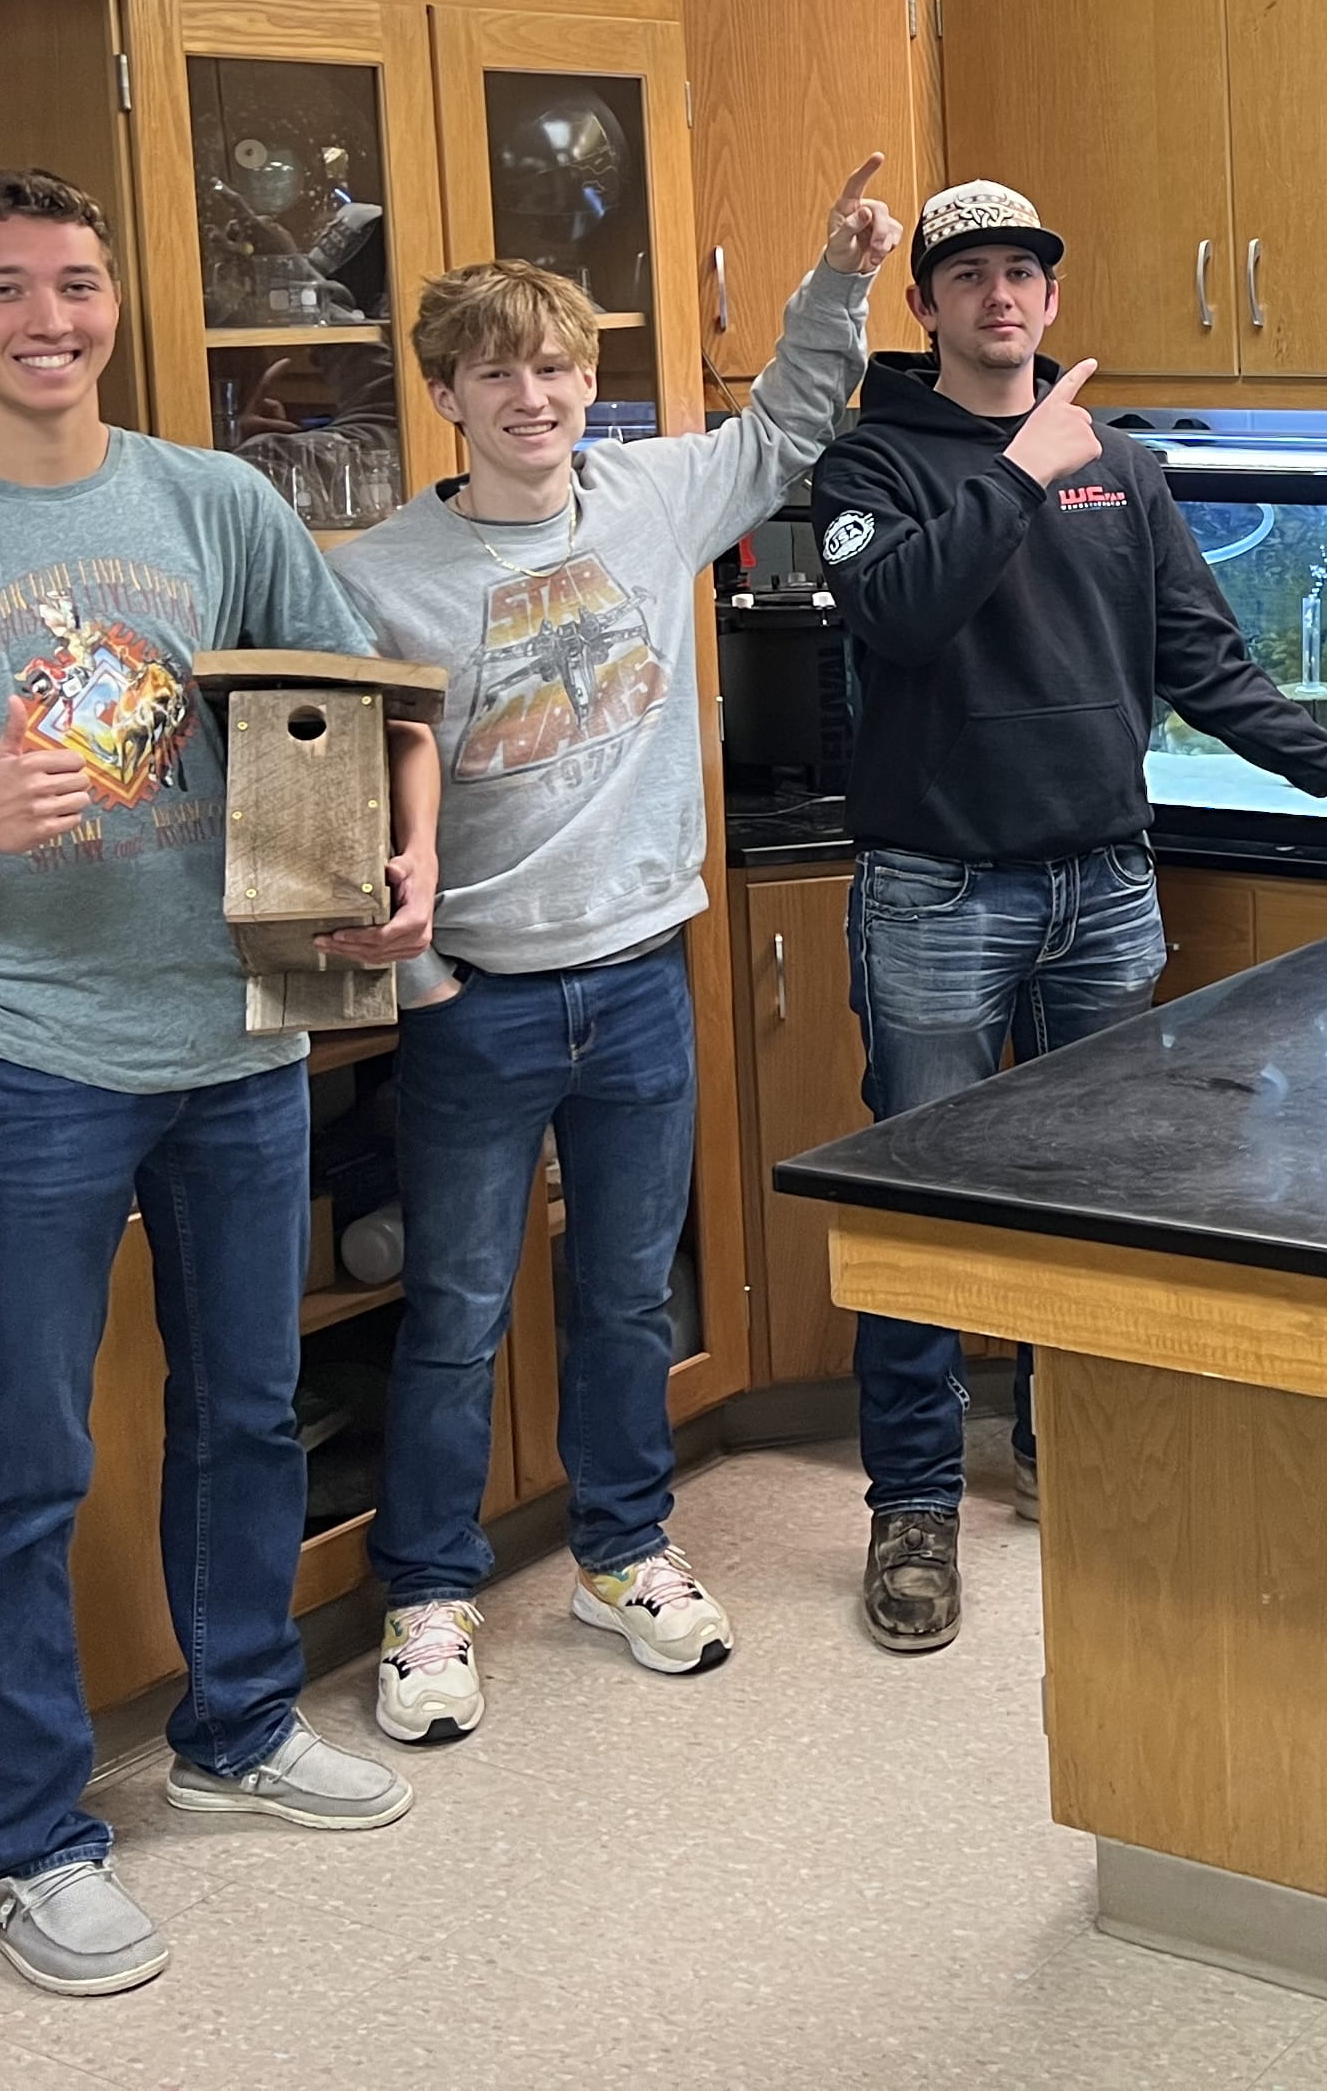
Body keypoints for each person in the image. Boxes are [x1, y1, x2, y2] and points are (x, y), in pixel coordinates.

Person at [0, 169, 435, 2000]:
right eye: (7, 290)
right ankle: (23, 1844)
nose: (49, 320)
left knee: (243, 1406)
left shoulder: (211, 498)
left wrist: (399, 866)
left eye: (77, 285)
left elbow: (345, 701)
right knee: (26, 1455)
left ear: (112, 299)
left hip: (238, 1032)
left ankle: (237, 1730)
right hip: (28, 1052)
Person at [808, 180, 1327, 1652]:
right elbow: (897, 616)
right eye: (966, 275)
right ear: (925, 308)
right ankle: (912, 1506)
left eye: (1023, 273)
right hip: (937, 891)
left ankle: (1067, 1444)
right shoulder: (869, 467)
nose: (1000, 299)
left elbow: (1200, 660)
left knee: (1099, 1187)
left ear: (1053, 294)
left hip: (1105, 886)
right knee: (918, 1200)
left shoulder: (1127, 467)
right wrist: (1023, 471)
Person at [332, 158, 899, 1747]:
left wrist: (840, 276)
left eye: (560, 367)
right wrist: (415, 964)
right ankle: (428, 1598)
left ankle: (625, 1552)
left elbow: (789, 426)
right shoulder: (374, 579)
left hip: (643, 975)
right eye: (499, 371)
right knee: (452, 1310)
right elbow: (335, 777)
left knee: (631, 1296)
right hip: (477, 997)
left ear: (591, 382)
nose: (535, 395)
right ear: (446, 393)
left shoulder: (652, 496)